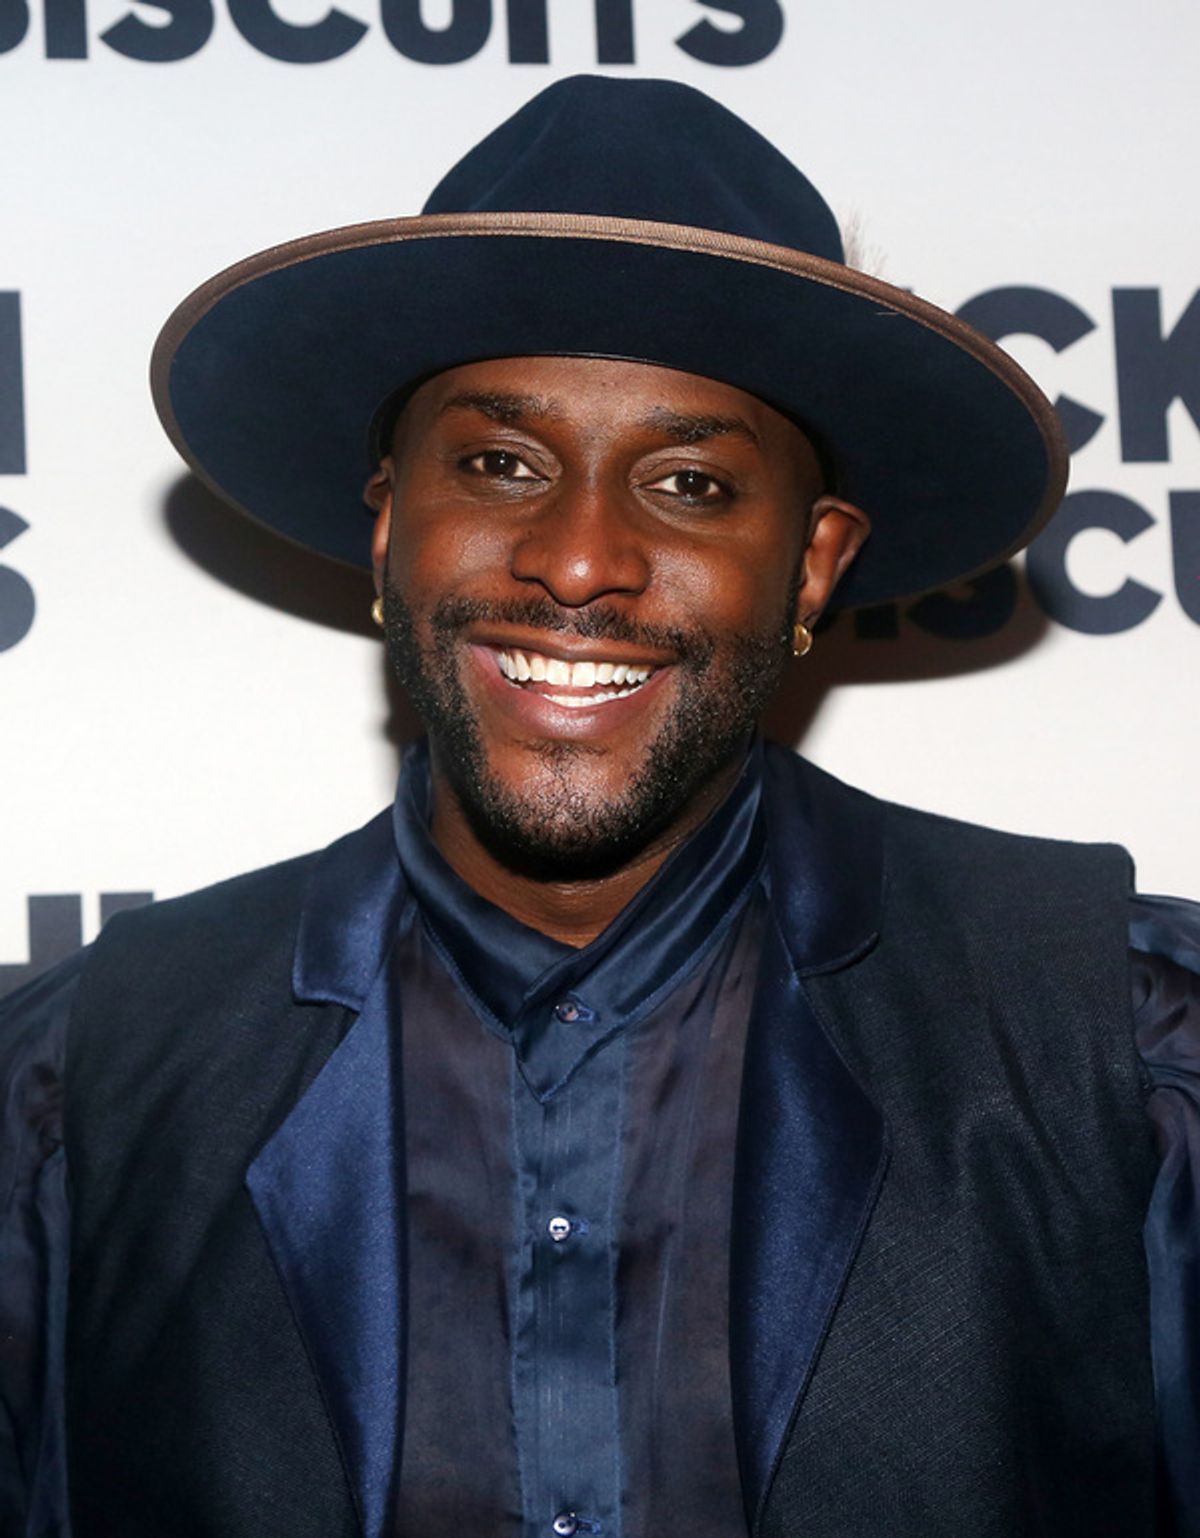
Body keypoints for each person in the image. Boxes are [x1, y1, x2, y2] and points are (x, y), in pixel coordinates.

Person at [1, 75, 1197, 1538]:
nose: (579, 561)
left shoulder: (1114, 1048)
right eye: (501, 465)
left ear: (812, 564)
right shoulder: (88, 1084)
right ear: (391, 526)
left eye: (690, 483)